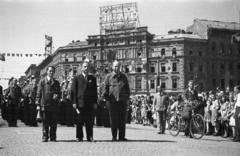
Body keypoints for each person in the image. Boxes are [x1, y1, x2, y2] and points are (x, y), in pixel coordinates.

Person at [104, 60, 130, 141]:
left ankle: (121, 136)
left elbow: (127, 89)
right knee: (114, 119)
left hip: (122, 101)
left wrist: (128, 98)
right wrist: (107, 100)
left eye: (118, 66)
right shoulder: (108, 77)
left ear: (120, 67)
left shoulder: (124, 77)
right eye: (115, 66)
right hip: (113, 102)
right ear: (112, 67)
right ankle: (114, 136)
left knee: (122, 120)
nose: (116, 68)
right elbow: (105, 90)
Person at [72, 61, 98, 142]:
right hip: (80, 103)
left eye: (87, 67)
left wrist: (95, 102)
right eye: (84, 67)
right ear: (82, 68)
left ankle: (90, 136)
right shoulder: (77, 78)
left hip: (89, 103)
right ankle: (79, 137)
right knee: (79, 121)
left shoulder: (92, 78)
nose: (86, 68)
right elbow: (74, 91)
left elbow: (95, 92)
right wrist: (74, 102)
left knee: (89, 121)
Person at [36, 66, 61, 142]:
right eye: (50, 71)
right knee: (45, 122)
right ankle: (45, 136)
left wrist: (57, 96)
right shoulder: (42, 81)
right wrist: (38, 104)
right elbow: (39, 93)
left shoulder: (56, 82)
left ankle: (53, 136)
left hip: (54, 105)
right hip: (45, 105)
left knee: (54, 122)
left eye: (52, 71)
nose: (51, 72)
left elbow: (59, 93)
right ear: (47, 72)